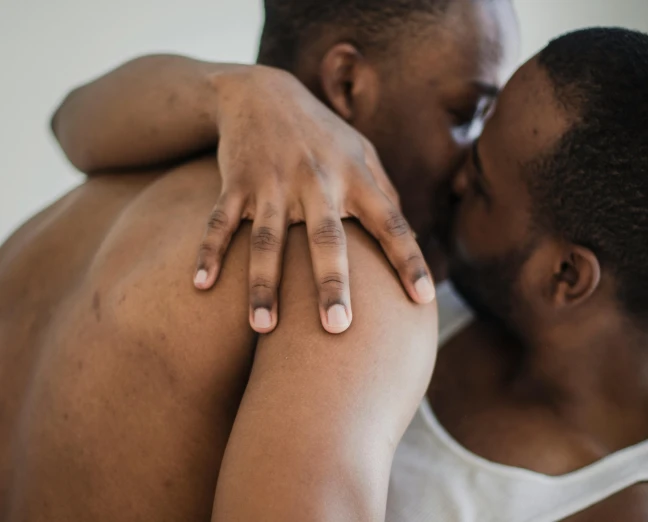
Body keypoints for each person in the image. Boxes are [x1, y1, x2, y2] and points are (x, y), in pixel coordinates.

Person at [51, 24, 648, 522]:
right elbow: (75, 122)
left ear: (565, 277)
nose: (453, 175)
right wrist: (249, 93)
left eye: (484, 185)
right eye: (472, 123)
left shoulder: (638, 509)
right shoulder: (464, 282)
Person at [0, 1, 518, 521]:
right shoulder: (342, 274)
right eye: (466, 114)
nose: (471, 168)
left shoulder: (91, 196)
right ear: (346, 82)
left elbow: (68, 118)